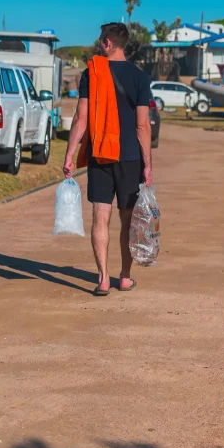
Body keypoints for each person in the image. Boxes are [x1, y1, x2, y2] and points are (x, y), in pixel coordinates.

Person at [63, 23, 153, 296]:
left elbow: (81, 117)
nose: (99, 44)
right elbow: (142, 126)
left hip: (100, 154)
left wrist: (69, 154)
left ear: (109, 43)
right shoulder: (139, 77)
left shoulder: (92, 72)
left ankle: (103, 279)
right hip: (129, 159)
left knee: (100, 218)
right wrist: (147, 164)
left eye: (102, 40)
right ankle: (124, 277)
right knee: (128, 222)